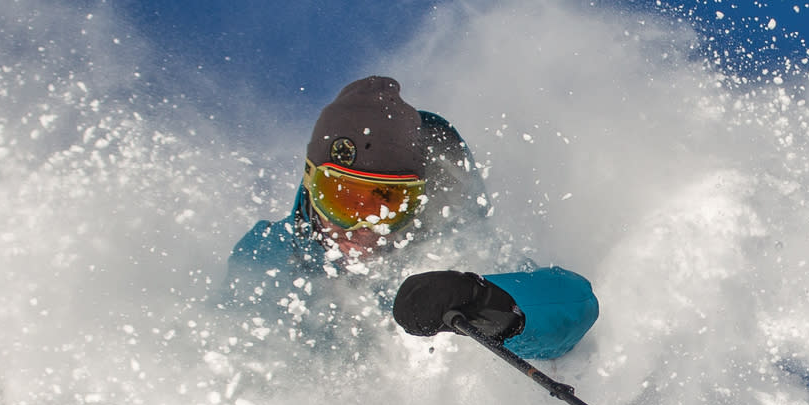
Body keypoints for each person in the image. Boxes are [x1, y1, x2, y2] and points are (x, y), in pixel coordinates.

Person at [226, 76, 598, 358]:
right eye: (342, 200)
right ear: (310, 183)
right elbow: (219, 345)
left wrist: (482, 301)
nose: (363, 226)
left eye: (387, 204)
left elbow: (574, 304)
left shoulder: (451, 252)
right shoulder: (265, 256)